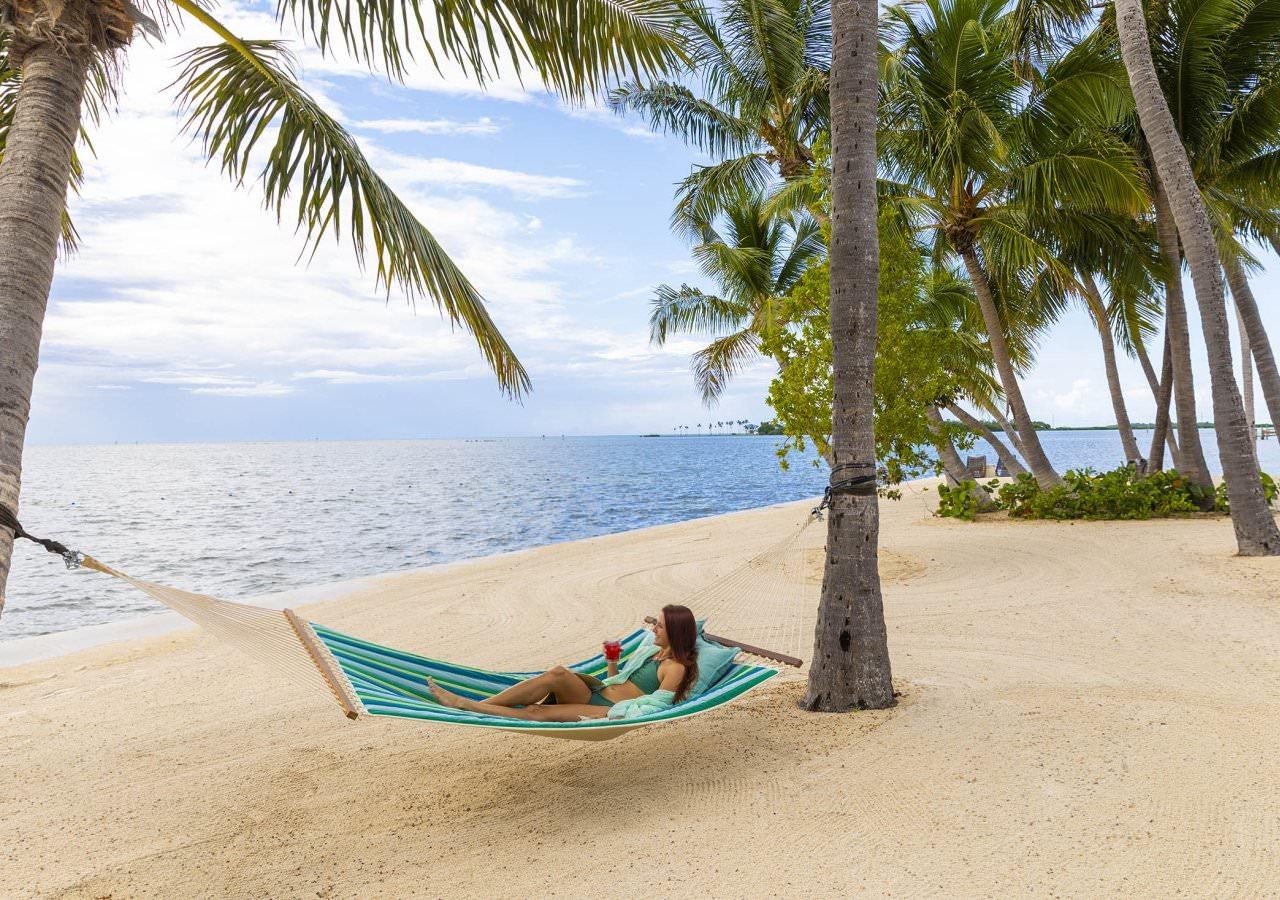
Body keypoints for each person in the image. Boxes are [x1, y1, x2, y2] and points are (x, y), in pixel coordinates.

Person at [427, 604, 700, 722]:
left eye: (660, 627)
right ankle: (482, 705)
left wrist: (613, 714)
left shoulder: (674, 667)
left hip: (607, 709)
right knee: (557, 673)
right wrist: (611, 662)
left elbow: (658, 706)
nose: (654, 629)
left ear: (675, 633)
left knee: (536, 712)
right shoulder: (653, 654)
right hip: (598, 693)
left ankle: (467, 706)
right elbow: (621, 682)